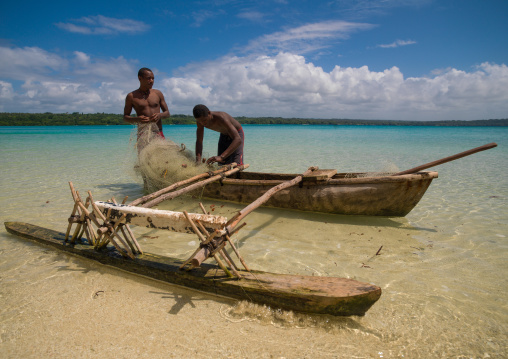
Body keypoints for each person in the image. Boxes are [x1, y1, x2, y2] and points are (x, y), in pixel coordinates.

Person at [124, 68, 170, 151]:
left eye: (153, 78)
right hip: (143, 134)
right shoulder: (131, 96)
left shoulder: (157, 93)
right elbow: (125, 117)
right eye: (149, 78)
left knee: (163, 160)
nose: (151, 81)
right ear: (140, 78)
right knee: (144, 161)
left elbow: (167, 113)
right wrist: (137, 119)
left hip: (158, 132)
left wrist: (160, 115)